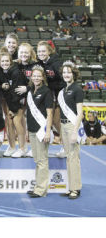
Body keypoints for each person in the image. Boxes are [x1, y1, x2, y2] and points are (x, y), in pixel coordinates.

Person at [58, 61, 85, 199]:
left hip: (72, 125)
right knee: (69, 157)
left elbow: (80, 113)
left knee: (74, 157)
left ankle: (76, 188)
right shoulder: (63, 90)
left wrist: (75, 131)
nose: (66, 75)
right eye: (64, 72)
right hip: (63, 126)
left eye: (69, 72)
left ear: (73, 73)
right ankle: (71, 187)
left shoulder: (77, 89)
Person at [26, 65, 53, 198]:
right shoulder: (31, 90)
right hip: (31, 129)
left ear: (42, 77)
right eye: (34, 75)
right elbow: (29, 113)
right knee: (37, 160)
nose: (36, 77)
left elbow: (50, 113)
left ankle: (41, 189)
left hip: (41, 131)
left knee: (42, 160)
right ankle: (38, 186)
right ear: (31, 77)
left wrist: (48, 132)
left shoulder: (47, 91)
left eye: (38, 75)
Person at [37, 41, 65, 152]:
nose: (41, 53)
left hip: (56, 95)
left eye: (43, 51)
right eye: (39, 51)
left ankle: (65, 145)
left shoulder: (56, 63)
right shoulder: (40, 62)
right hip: (47, 95)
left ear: (49, 51)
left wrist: (58, 96)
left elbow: (63, 80)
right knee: (47, 120)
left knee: (56, 121)